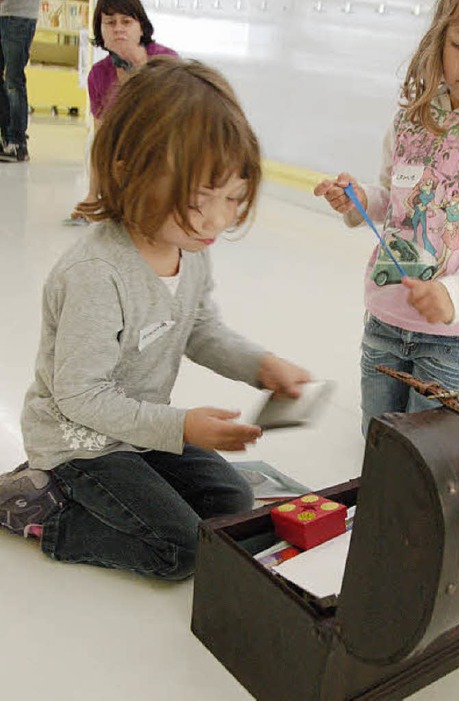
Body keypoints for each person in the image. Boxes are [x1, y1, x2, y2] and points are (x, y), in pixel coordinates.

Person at [0, 56, 311, 580]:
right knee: (181, 549)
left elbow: (199, 327)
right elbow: (80, 397)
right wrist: (181, 425)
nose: (218, 220)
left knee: (233, 504)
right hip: (80, 445)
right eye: (199, 199)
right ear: (128, 171)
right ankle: (39, 510)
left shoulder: (188, 245)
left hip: (139, 431)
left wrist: (261, 365)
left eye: (233, 197)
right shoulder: (97, 274)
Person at [314, 0, 459, 434]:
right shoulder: (412, 116)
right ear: (438, 38)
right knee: (381, 445)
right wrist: (359, 199)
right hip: (384, 322)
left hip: (455, 341)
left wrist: (456, 294)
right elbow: (394, 197)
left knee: (436, 466)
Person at [70, 0, 177, 220]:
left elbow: (173, 122)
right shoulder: (98, 75)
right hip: (125, 157)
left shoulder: (167, 61)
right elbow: (101, 138)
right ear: (100, 29)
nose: (118, 28)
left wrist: (140, 68)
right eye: (110, 22)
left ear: (141, 27)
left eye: (126, 22)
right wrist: (92, 195)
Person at [0, 0, 38, 162]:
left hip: (19, 17)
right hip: (4, 13)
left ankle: (17, 142)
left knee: (13, 80)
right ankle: (6, 139)